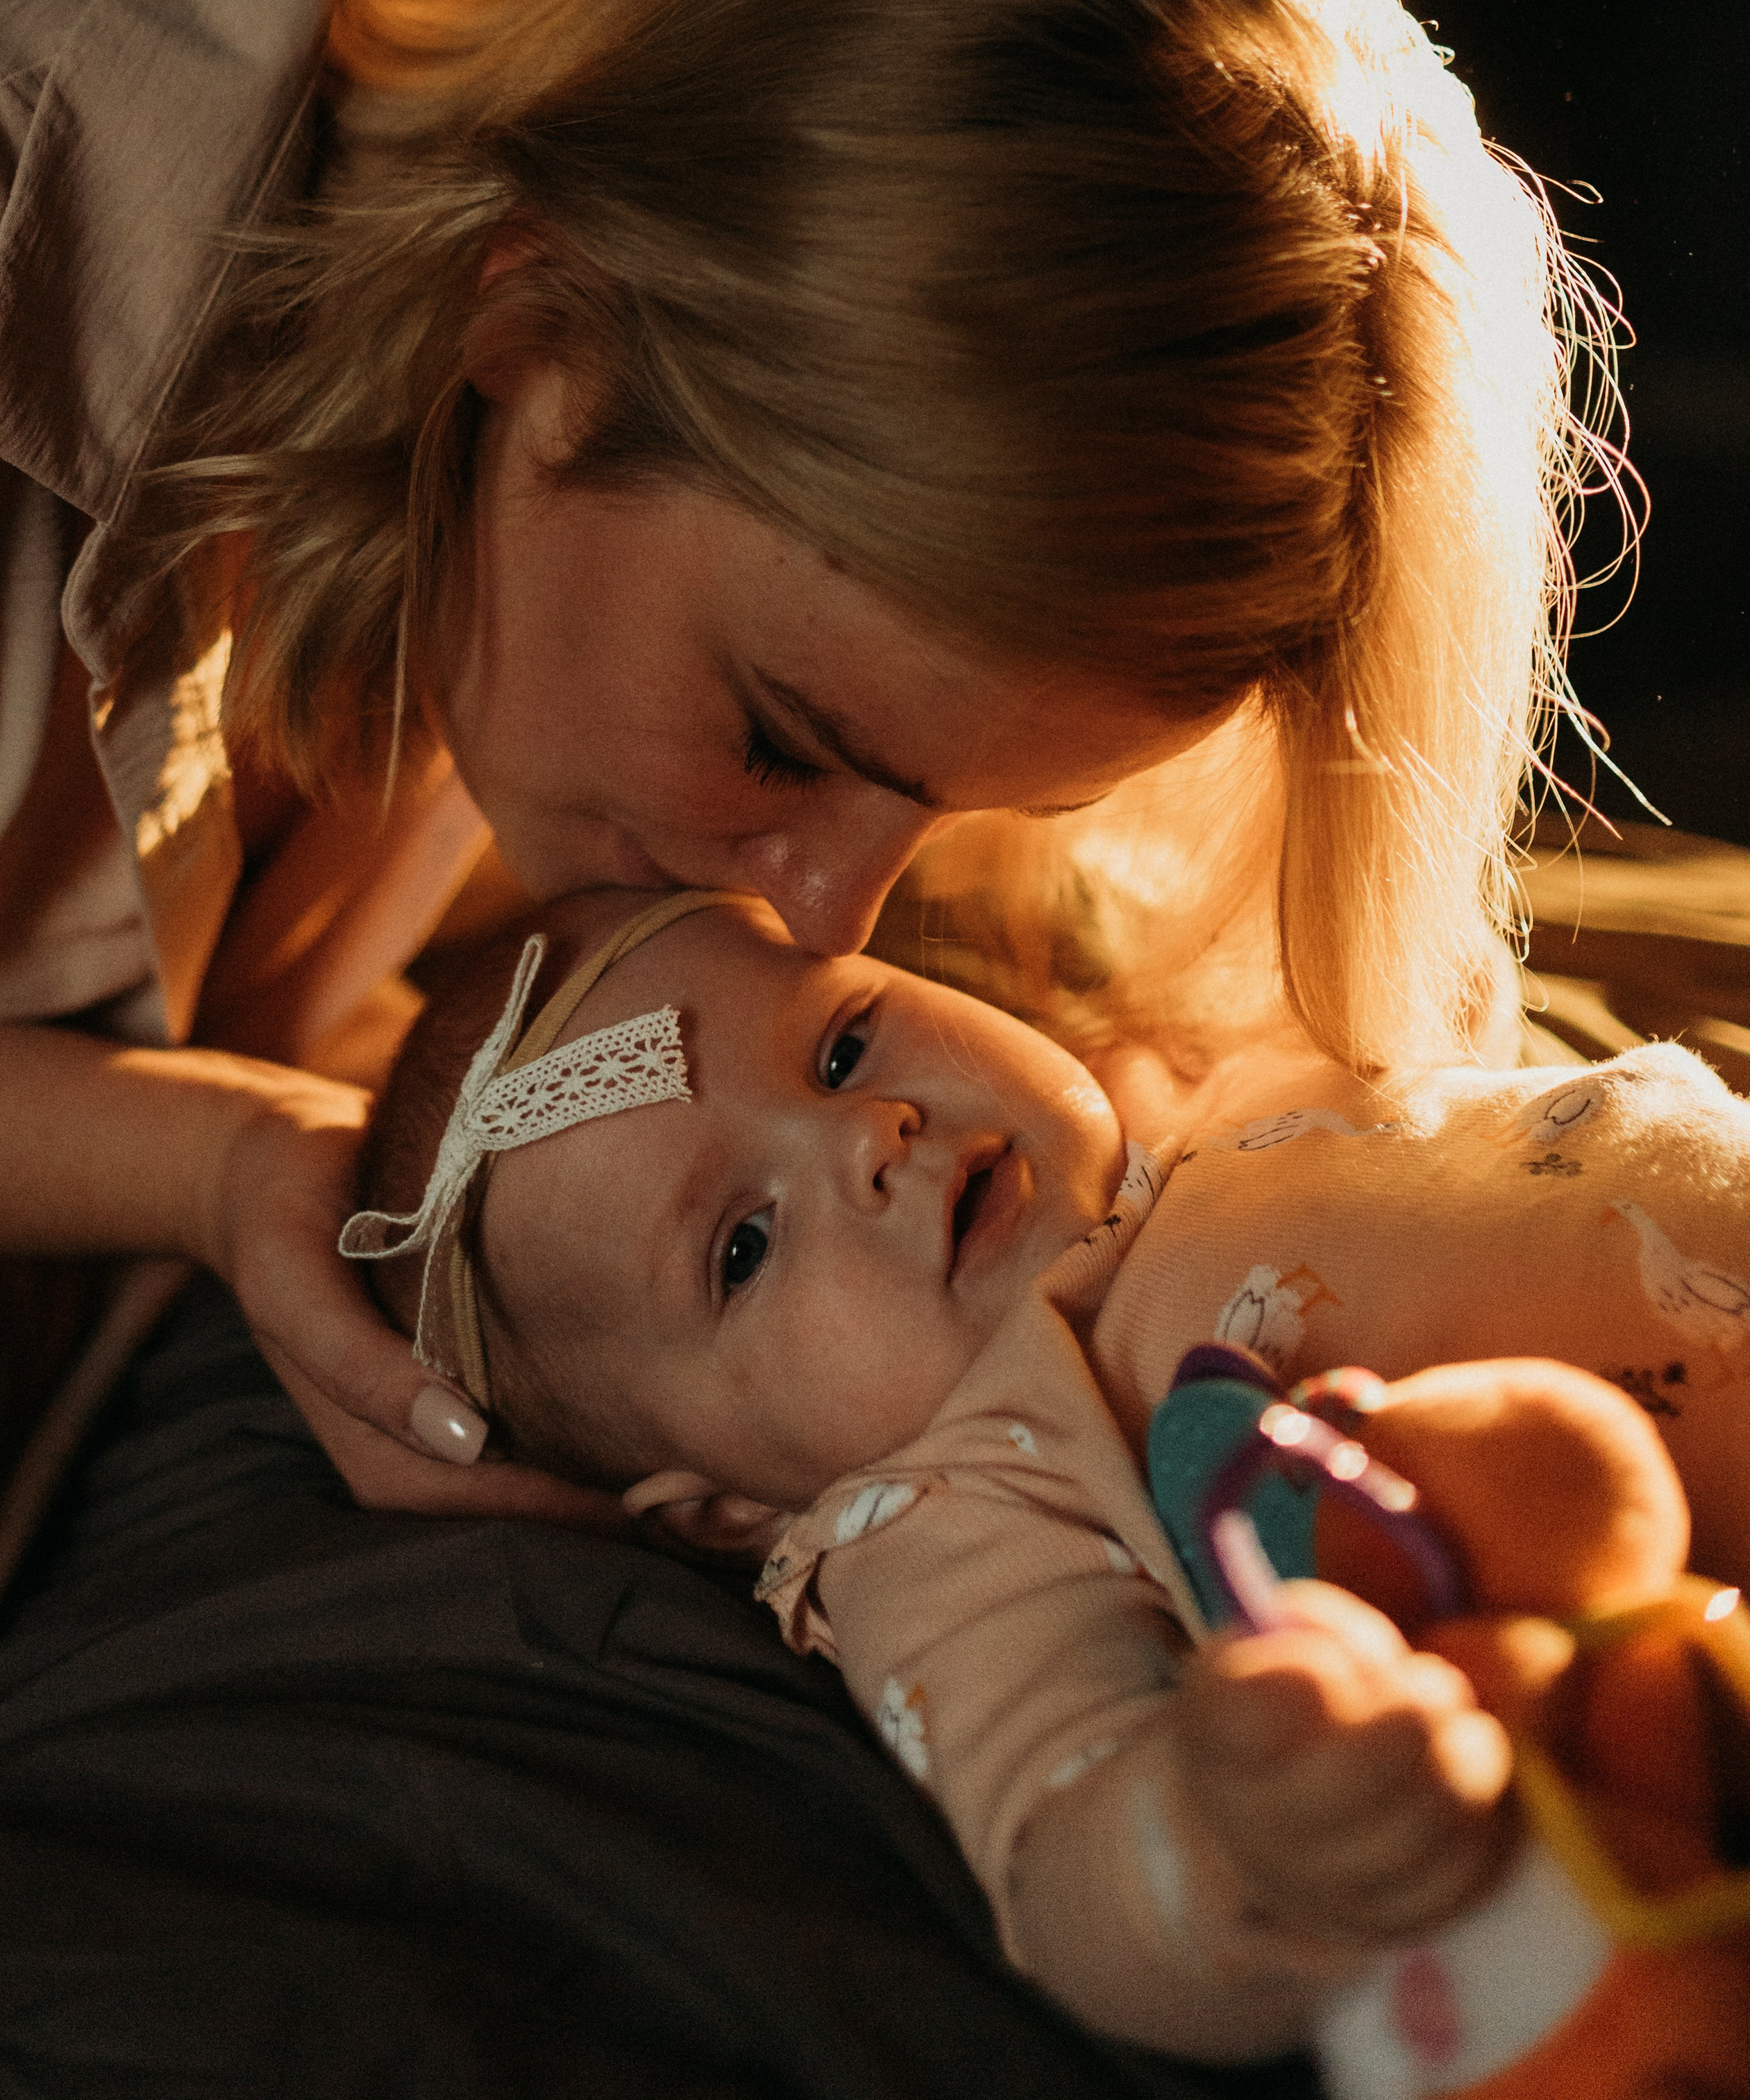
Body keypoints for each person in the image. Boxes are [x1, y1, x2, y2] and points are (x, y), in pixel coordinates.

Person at [0, 0, 1604, 1525]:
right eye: (779, 741)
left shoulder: (662, 389)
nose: (818, 921)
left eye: (950, 809)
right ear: (529, 321)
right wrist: (212, 1155)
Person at [344, 883, 1750, 2062]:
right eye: (742, 1248)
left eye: (840, 1045)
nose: (864, 1133)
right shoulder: (946, 1497)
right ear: (727, 1505)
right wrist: (1243, 1835)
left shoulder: (1193, 1080)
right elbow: (1063, 1844)